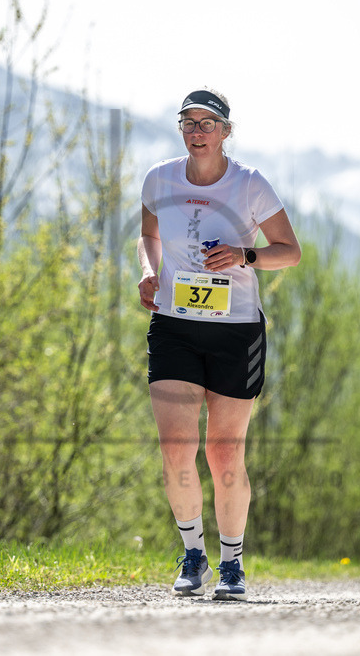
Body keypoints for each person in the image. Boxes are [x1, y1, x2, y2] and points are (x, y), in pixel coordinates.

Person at [136, 88, 301, 601]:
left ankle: (233, 563)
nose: (198, 130)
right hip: (175, 326)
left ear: (227, 131)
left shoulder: (250, 184)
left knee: (224, 453)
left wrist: (243, 255)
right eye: (189, 122)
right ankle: (193, 556)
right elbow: (149, 236)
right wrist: (148, 273)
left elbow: (289, 252)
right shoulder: (159, 178)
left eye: (208, 123)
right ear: (180, 129)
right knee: (175, 448)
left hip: (236, 331)